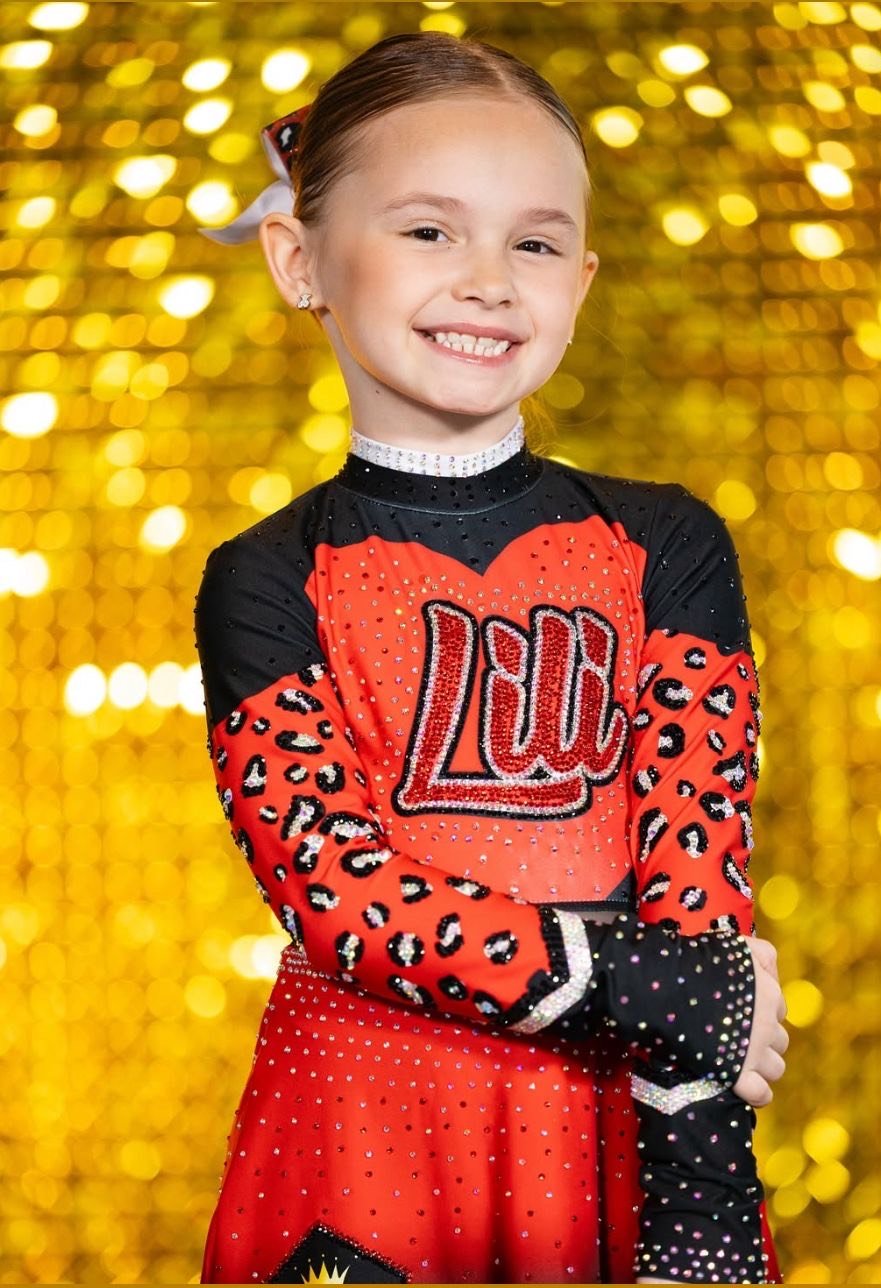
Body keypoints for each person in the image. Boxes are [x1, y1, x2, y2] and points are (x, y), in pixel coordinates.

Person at [193, 31, 788, 1285]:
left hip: (615, 1114)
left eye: (532, 243)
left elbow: (696, 865)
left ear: (580, 279)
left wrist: (699, 1167)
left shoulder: (664, 540)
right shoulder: (266, 574)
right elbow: (333, 888)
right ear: (300, 260)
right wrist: (637, 979)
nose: (487, 281)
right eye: (428, 231)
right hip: (367, 1125)